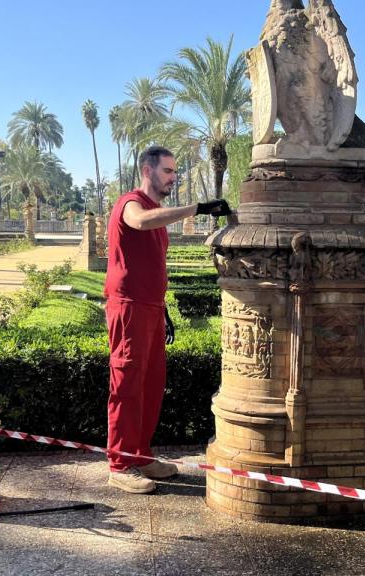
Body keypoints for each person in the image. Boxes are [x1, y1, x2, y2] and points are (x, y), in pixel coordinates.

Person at [104, 145, 231, 493]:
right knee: (127, 384)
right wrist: (197, 208)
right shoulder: (130, 203)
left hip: (149, 307)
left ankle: (140, 455)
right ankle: (119, 465)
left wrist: (162, 310)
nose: (173, 177)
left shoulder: (156, 211)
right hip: (127, 305)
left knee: (151, 384)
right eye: (168, 171)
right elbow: (139, 222)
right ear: (148, 170)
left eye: (175, 172)